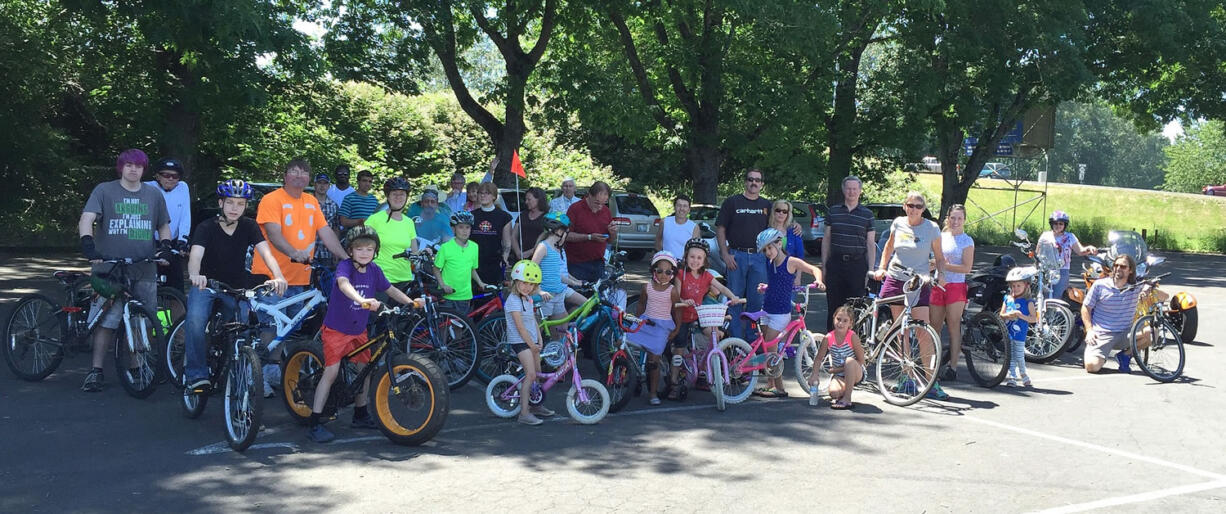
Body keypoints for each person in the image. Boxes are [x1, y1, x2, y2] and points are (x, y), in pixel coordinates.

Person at [307, 226, 417, 443]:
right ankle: (314, 422)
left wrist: (411, 302)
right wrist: (361, 300)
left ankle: (360, 414)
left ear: (375, 251)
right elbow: (343, 284)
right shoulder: (345, 267)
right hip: (337, 330)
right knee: (331, 372)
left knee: (364, 371)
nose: (365, 253)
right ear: (350, 251)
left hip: (359, 330)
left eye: (369, 249)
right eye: (360, 249)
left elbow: (390, 289)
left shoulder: (374, 269)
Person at [252, 159, 349, 397]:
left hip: (300, 277)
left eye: (304, 172)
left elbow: (325, 232)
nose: (299, 176)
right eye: (294, 172)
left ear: (309, 178)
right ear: (285, 176)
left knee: (287, 327)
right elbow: (273, 234)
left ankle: (273, 368)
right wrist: (293, 252)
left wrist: (347, 259)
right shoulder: (272, 199)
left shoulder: (311, 201)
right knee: (271, 327)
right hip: (271, 276)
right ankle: (258, 373)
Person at [77, 149, 172, 392]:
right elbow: (87, 218)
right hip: (109, 267)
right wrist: (89, 245)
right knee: (107, 321)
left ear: (144, 169)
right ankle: (96, 370)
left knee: (143, 319)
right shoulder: (104, 190)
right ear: (121, 167)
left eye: (138, 166)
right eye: (128, 165)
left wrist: (165, 247)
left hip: (144, 267)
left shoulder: (153, 194)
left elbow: (163, 225)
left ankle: (137, 366)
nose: (133, 169)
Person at [183, 180, 288, 391]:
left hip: (237, 287)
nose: (234, 208)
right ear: (220, 203)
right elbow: (195, 255)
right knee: (195, 321)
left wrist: (278, 276)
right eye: (230, 203)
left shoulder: (249, 226)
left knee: (246, 328)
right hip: (207, 284)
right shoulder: (206, 227)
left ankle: (238, 372)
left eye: (240, 204)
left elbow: (266, 252)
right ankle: (196, 374)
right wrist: (195, 275)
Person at [871, 191, 947, 399]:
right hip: (896, 277)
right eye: (910, 205)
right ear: (905, 206)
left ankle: (932, 381)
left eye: (919, 206)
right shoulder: (898, 223)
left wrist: (941, 275)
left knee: (923, 330)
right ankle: (907, 377)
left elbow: (939, 257)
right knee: (900, 329)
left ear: (924, 209)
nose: (914, 209)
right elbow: (888, 246)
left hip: (918, 281)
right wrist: (881, 267)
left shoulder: (931, 228)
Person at [754, 228, 825, 398]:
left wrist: (819, 281)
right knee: (768, 350)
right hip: (767, 307)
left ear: (779, 243)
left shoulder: (790, 261)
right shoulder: (770, 263)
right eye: (765, 250)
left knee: (771, 349)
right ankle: (773, 386)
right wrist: (766, 287)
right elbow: (776, 283)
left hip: (780, 312)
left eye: (770, 248)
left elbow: (814, 269)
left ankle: (777, 388)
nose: (768, 252)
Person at [670, 238, 743, 397]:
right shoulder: (681, 275)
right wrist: (683, 301)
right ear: (686, 257)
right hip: (682, 316)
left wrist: (733, 297)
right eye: (692, 257)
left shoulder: (707, 276)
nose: (695, 261)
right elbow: (675, 296)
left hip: (698, 314)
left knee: (716, 334)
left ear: (704, 260)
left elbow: (722, 288)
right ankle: (673, 382)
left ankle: (710, 367)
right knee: (679, 348)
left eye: (699, 258)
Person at [716, 169, 771, 340]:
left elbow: (782, 221)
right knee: (735, 300)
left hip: (759, 258)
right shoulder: (732, 202)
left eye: (757, 180)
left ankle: (753, 337)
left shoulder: (767, 205)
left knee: (756, 302)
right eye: (750, 179)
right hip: (736, 256)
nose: (754, 183)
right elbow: (720, 228)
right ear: (745, 182)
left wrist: (796, 226)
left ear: (762, 184)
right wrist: (725, 254)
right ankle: (735, 340)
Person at [503, 260, 555, 426]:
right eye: (523, 283)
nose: (526, 287)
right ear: (516, 282)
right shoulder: (513, 301)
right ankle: (524, 413)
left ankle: (536, 406)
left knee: (537, 375)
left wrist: (539, 339)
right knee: (531, 375)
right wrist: (532, 345)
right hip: (520, 342)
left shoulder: (528, 299)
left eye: (531, 284)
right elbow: (520, 328)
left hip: (532, 342)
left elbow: (533, 321)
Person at [822, 176, 876, 331]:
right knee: (834, 308)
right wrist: (825, 266)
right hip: (836, 265)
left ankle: (852, 349)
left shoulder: (867, 214)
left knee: (854, 310)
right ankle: (831, 348)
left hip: (857, 266)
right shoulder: (833, 212)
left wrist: (870, 270)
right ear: (843, 190)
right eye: (848, 188)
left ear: (860, 191)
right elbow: (826, 240)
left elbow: (870, 244)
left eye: (854, 189)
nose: (851, 192)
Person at [628, 251, 681, 405]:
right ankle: (628, 376)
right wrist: (637, 320)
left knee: (654, 360)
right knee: (624, 343)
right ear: (653, 271)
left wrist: (676, 329)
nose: (663, 275)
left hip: (662, 326)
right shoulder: (647, 288)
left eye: (668, 272)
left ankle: (652, 393)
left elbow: (677, 310)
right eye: (659, 271)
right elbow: (641, 304)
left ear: (672, 273)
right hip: (646, 322)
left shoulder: (673, 291)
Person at [1082, 254, 1149, 374]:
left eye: (1123, 266)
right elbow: (1086, 308)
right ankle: (1102, 355)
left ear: (1131, 270)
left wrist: (1148, 287)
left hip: (1126, 334)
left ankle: (1125, 356)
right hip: (1102, 334)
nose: (1118, 268)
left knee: (1153, 332)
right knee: (1092, 367)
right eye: (1116, 265)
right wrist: (1089, 330)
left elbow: (1162, 294)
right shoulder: (1100, 285)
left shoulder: (1135, 286)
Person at [929, 204, 975, 382]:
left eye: (959, 218)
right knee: (934, 327)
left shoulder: (967, 240)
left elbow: (966, 267)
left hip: (955, 286)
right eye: (953, 218)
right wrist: (935, 263)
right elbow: (932, 260)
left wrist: (943, 264)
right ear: (947, 218)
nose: (955, 221)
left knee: (954, 326)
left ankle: (953, 367)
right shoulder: (940, 236)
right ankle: (932, 365)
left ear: (964, 220)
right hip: (938, 284)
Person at [531, 212, 588, 338]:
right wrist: (538, 290)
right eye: (566, 231)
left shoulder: (557, 249)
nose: (566, 234)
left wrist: (575, 282)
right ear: (558, 231)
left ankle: (555, 355)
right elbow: (531, 271)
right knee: (536, 334)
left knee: (560, 331)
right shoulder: (543, 247)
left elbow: (557, 275)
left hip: (558, 296)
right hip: (545, 297)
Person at [145, 158, 191, 291]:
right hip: (149, 242)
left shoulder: (183, 187)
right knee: (148, 286)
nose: (170, 178)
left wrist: (183, 239)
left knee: (175, 288)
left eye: (175, 176)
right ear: (157, 176)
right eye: (166, 175)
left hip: (173, 242)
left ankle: (174, 311)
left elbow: (185, 215)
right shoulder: (147, 187)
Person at [364, 177, 418, 289]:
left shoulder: (409, 222)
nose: (398, 197)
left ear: (407, 197)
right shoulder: (374, 220)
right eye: (394, 194)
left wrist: (425, 252)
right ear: (388, 196)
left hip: (405, 279)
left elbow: (414, 253)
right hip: (380, 279)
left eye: (402, 194)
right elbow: (360, 248)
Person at [809, 305, 866, 409]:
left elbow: (861, 360)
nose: (841, 323)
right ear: (833, 318)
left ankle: (847, 398)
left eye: (845, 321)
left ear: (850, 323)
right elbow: (818, 358)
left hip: (856, 371)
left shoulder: (852, 337)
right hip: (840, 375)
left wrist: (837, 369)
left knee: (849, 361)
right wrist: (814, 374)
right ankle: (842, 392)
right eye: (838, 319)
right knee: (833, 393)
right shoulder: (828, 338)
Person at [434, 211, 491, 314]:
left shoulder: (474, 247)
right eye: (460, 227)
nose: (464, 231)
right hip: (448, 294)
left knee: (461, 326)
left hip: (465, 295)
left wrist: (480, 282)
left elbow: (472, 269)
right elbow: (436, 269)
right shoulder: (446, 247)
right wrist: (443, 285)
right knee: (445, 326)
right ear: (453, 229)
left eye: (467, 227)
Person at [565, 181, 618, 282]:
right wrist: (589, 237)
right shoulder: (575, 209)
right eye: (597, 203)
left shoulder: (606, 211)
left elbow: (611, 241)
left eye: (603, 203)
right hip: (577, 264)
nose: (600, 207)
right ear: (589, 195)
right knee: (579, 295)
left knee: (598, 296)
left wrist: (613, 232)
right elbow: (566, 235)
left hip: (598, 263)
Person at [1040, 210, 1098, 300]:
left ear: (1064, 225)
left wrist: (1089, 248)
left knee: (1058, 296)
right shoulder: (1045, 236)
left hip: (1062, 270)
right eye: (1055, 223)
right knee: (1043, 295)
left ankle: (1056, 313)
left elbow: (1080, 251)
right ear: (1051, 224)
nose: (1058, 226)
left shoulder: (1070, 237)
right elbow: (1039, 252)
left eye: (1060, 224)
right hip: (1046, 270)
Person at [469, 181, 513, 289]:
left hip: (493, 262)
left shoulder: (504, 217)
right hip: (474, 262)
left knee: (492, 296)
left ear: (494, 196)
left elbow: (507, 242)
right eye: (480, 193)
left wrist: (504, 258)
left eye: (487, 193)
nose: (483, 196)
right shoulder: (471, 216)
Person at [1001, 268, 1038, 387]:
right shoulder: (1008, 299)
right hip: (1009, 332)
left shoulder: (1028, 301)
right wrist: (1009, 315)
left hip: (1020, 333)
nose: (1015, 289)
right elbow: (1001, 315)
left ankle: (1023, 374)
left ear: (1026, 286)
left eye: (1018, 286)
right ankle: (1012, 376)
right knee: (1010, 355)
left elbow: (1034, 319)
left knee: (1019, 355)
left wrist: (1021, 316)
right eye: (1013, 286)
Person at [656, 194, 700, 260]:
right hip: (667, 264)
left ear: (689, 209)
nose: (681, 209)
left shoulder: (694, 227)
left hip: (684, 264)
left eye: (685, 206)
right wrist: (662, 257)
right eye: (679, 205)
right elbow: (658, 240)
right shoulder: (665, 222)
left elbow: (696, 249)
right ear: (674, 207)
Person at [312, 173, 341, 268]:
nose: (322, 186)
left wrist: (336, 251)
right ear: (314, 184)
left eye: (325, 183)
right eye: (319, 182)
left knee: (325, 280)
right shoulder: (306, 203)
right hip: (308, 250)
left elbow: (336, 228)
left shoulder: (334, 205)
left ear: (328, 186)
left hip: (327, 251)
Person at [511, 187, 548, 261]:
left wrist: (531, 252)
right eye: (526, 199)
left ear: (538, 199)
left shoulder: (547, 217)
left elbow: (547, 238)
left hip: (539, 258)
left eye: (529, 199)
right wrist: (518, 252)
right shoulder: (522, 215)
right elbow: (514, 236)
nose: (526, 202)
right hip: (520, 257)